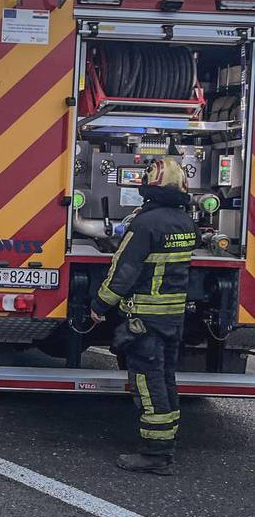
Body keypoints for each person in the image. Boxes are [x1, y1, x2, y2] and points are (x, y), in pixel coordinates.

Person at [90, 158, 196, 475]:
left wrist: (100, 305)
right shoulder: (185, 223)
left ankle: (156, 453)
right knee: (165, 379)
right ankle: (167, 443)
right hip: (172, 318)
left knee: (148, 384)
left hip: (145, 320)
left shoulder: (145, 224)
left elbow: (124, 271)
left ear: (150, 187)